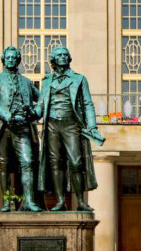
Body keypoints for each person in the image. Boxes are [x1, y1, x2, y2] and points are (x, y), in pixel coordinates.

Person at [36, 45, 104, 211]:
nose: (63, 57)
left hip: (71, 124)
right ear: (53, 60)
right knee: (55, 163)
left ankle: (80, 201)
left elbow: (87, 103)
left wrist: (92, 126)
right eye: (59, 55)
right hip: (51, 124)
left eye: (65, 55)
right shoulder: (46, 81)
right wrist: (28, 113)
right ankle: (60, 201)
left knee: (76, 161)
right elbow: (40, 106)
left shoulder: (79, 79)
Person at [0, 46, 41, 211]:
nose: (11, 60)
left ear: (18, 60)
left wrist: (34, 113)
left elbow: (42, 100)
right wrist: (8, 115)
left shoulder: (27, 82)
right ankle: (7, 202)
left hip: (23, 127)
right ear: (3, 60)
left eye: (14, 58)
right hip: (3, 127)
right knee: (4, 164)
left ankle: (29, 201)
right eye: (8, 58)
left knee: (27, 162)